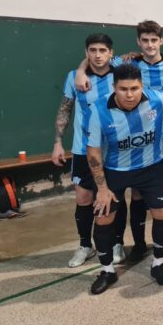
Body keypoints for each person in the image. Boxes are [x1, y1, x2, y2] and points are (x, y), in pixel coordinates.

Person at [76, 20, 163, 263]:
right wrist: (81, 71)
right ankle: (126, 245)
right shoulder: (126, 62)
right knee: (123, 200)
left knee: (160, 199)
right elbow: (95, 60)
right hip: (124, 144)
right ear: (138, 42)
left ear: (161, 41)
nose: (150, 44)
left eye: (154, 40)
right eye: (145, 40)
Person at [85, 64, 163, 294]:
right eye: (123, 89)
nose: (129, 94)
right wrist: (102, 188)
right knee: (103, 217)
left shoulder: (158, 99)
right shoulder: (99, 110)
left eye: (134, 88)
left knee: (162, 213)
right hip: (116, 170)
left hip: (152, 168)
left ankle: (158, 263)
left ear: (142, 86)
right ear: (114, 88)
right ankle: (107, 270)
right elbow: (93, 152)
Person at [52, 34, 119, 268]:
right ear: (86, 52)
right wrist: (58, 142)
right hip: (83, 148)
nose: (97, 55)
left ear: (111, 53)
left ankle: (116, 243)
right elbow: (65, 110)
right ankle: (85, 245)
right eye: (92, 50)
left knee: (114, 195)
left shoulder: (120, 72)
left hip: (114, 148)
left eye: (102, 50)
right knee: (83, 197)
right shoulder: (74, 77)